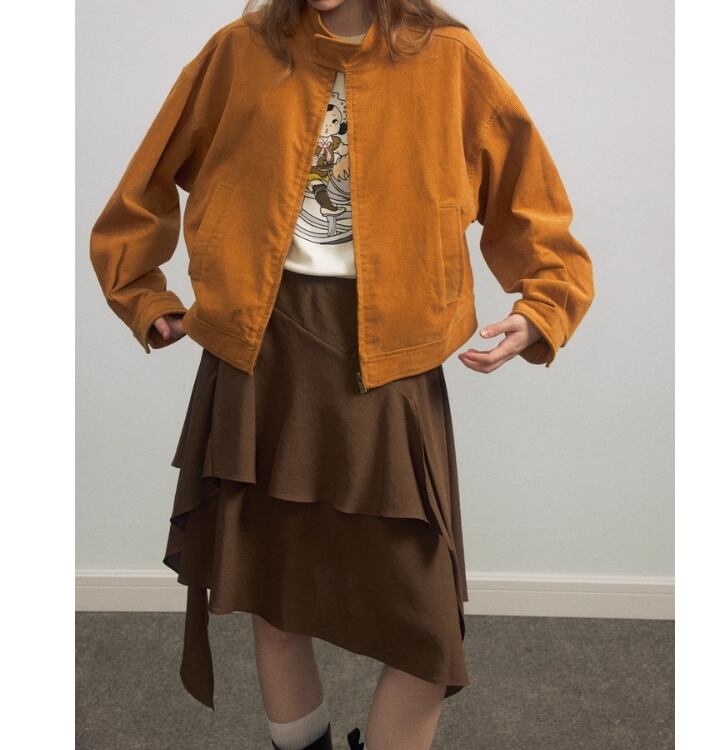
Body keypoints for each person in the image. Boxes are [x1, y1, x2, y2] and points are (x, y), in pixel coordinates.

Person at [88, 0, 595, 748]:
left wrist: (544, 303)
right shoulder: (240, 50)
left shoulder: (448, 58)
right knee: (276, 599)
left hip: (389, 361)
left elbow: (529, 196)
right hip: (262, 352)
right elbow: (145, 185)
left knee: (426, 634)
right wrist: (142, 294)